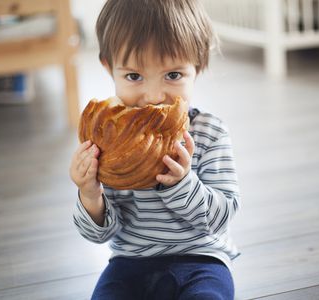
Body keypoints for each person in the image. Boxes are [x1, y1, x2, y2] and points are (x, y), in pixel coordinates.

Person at [70, 0, 241, 299]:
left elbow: (220, 217)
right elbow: (98, 234)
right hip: (129, 263)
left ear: (197, 67)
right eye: (134, 76)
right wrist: (90, 194)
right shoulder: (109, 143)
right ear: (108, 67)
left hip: (201, 260)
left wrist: (182, 184)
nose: (152, 97)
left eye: (173, 75)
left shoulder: (210, 133)